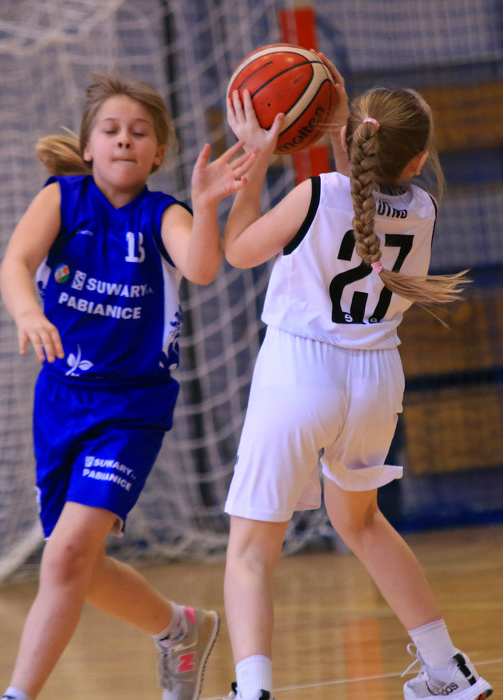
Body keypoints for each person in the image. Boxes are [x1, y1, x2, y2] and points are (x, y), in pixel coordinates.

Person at [220, 53, 493, 700]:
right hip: (375, 380)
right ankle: (447, 669)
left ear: (349, 137)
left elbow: (237, 250)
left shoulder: (315, 194)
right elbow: (365, 187)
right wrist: (343, 119)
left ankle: (252, 690)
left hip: (299, 369)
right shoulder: (423, 209)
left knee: (251, 550)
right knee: (364, 523)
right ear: (417, 161)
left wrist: (259, 154)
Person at [0, 71, 256, 700]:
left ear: (158, 153)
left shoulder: (161, 213)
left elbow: (201, 268)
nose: (123, 140)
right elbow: (16, 263)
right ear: (88, 146)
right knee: (78, 564)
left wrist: (206, 203)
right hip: (60, 401)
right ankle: (180, 630)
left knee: (65, 557)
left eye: (139, 132)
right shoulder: (62, 199)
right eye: (111, 130)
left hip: (131, 409)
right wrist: (28, 312)